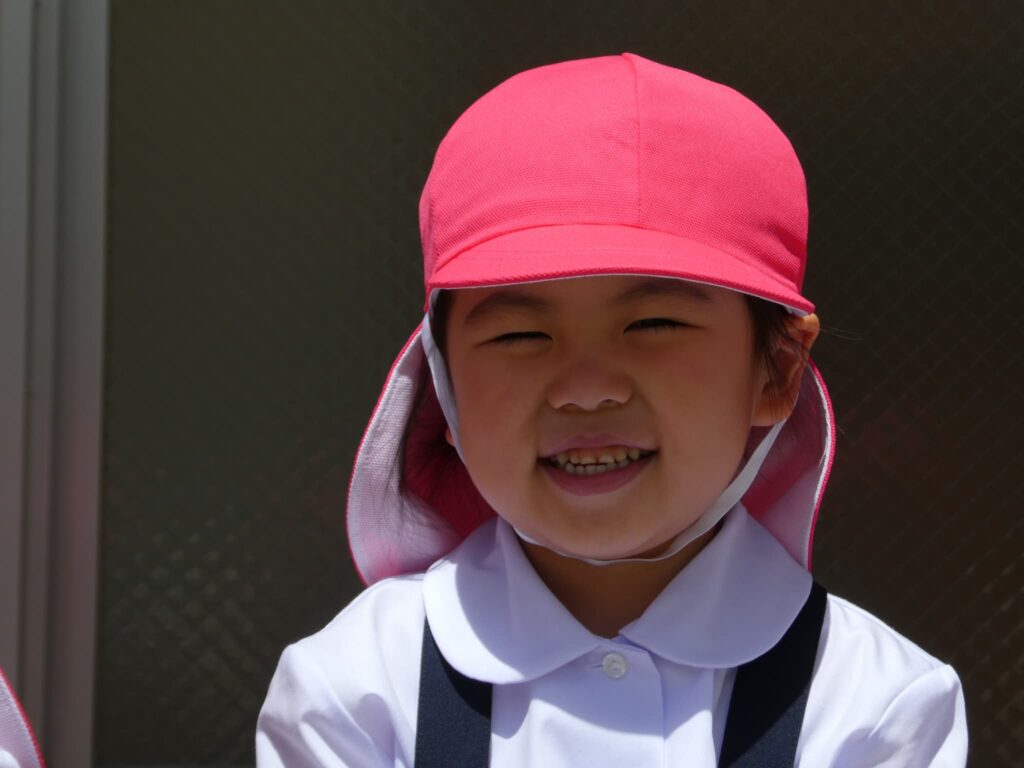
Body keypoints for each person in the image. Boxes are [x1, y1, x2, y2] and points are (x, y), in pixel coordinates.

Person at [256, 52, 967, 766]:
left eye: (653, 324)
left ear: (778, 368)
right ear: (442, 385)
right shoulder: (356, 690)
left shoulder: (875, 706)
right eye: (520, 334)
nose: (587, 388)